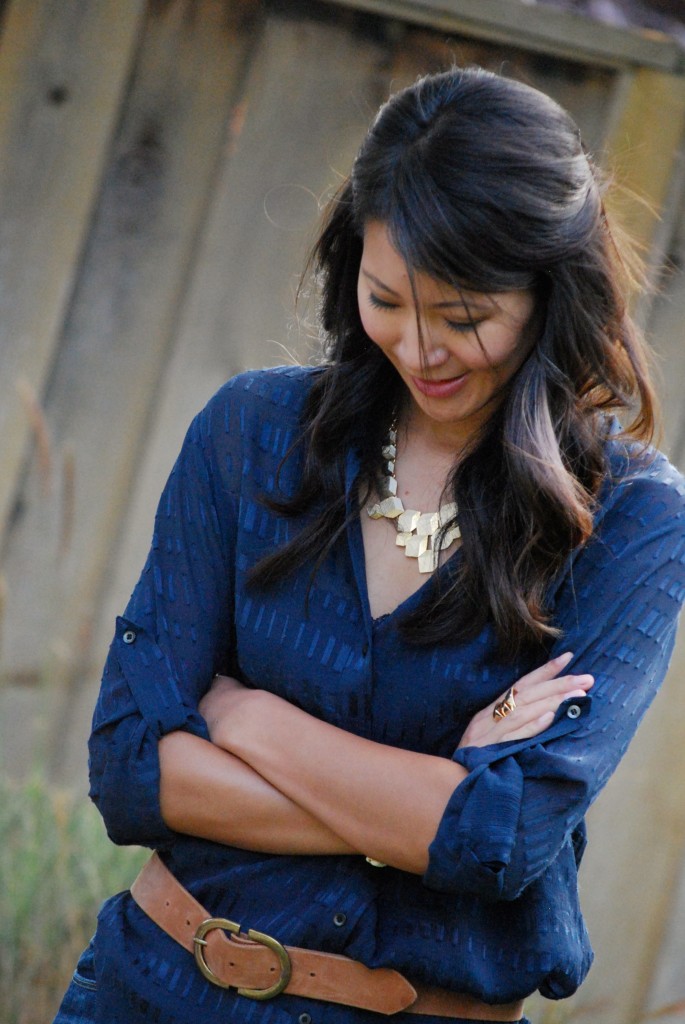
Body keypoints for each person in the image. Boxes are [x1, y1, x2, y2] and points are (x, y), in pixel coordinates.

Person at [53, 65, 685, 1024]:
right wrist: (425, 808)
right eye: (386, 299)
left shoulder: (631, 519)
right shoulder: (249, 434)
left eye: (464, 317)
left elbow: (505, 839)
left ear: (550, 293)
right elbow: (132, 769)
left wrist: (249, 722)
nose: (420, 348)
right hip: (150, 986)